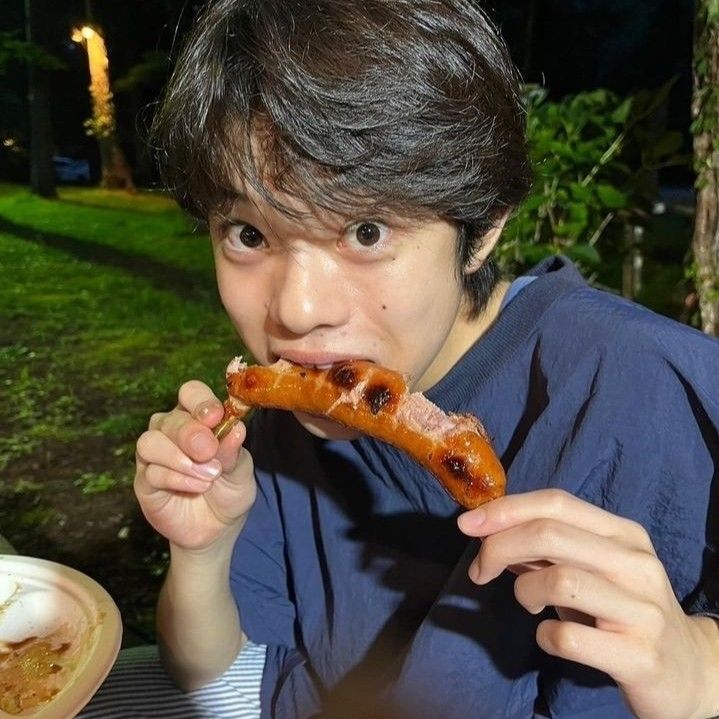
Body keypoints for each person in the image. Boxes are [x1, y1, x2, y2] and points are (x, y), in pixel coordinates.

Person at [81, 0, 719, 717]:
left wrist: (699, 671)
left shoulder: (649, 382)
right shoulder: (276, 430)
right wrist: (201, 551)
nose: (296, 309)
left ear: (480, 230)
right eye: (248, 234)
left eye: (365, 228)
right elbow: (208, 672)